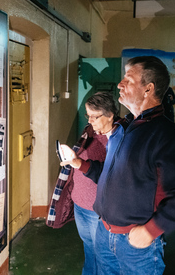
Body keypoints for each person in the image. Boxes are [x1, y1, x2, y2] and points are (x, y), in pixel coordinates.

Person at [61, 56, 175, 275]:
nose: (119, 84)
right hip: (104, 233)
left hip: (136, 246)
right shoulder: (122, 129)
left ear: (148, 89)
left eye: (128, 78)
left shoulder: (166, 136)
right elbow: (109, 176)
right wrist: (78, 163)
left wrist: (151, 230)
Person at [47, 92, 120, 275]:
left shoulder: (120, 138)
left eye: (95, 117)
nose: (91, 121)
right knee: (90, 252)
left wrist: (78, 162)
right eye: (88, 116)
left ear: (110, 114)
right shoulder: (90, 130)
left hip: (98, 210)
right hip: (81, 204)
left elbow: (112, 176)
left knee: (106, 258)